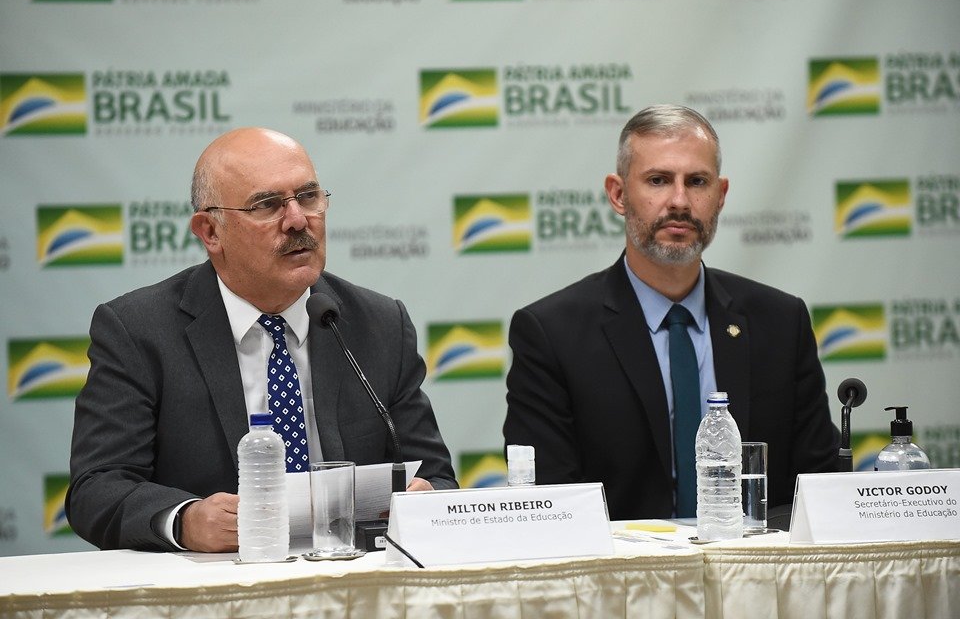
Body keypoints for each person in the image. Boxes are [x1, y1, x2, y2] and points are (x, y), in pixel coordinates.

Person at [66, 127, 457, 552]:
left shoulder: (378, 323)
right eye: (267, 205)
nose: (296, 220)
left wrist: (426, 500)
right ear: (210, 232)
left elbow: (436, 475)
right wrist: (185, 521)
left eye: (308, 197)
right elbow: (97, 488)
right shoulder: (138, 330)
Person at [502, 105, 839, 522]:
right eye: (658, 181)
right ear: (618, 194)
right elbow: (549, 510)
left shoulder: (781, 322)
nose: (679, 201)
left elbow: (820, 491)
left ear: (721, 195)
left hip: (753, 575)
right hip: (621, 580)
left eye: (697, 182)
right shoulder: (552, 334)